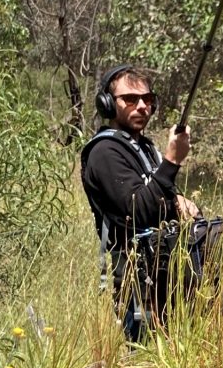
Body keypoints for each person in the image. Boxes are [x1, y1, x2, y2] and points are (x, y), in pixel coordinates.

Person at [80, 65, 199, 340]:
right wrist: (171, 161)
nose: (142, 106)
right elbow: (138, 211)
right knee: (147, 357)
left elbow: (158, 195)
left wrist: (179, 200)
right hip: (138, 277)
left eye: (147, 99)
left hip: (170, 270)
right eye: (130, 99)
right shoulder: (104, 153)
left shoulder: (143, 147)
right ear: (108, 104)